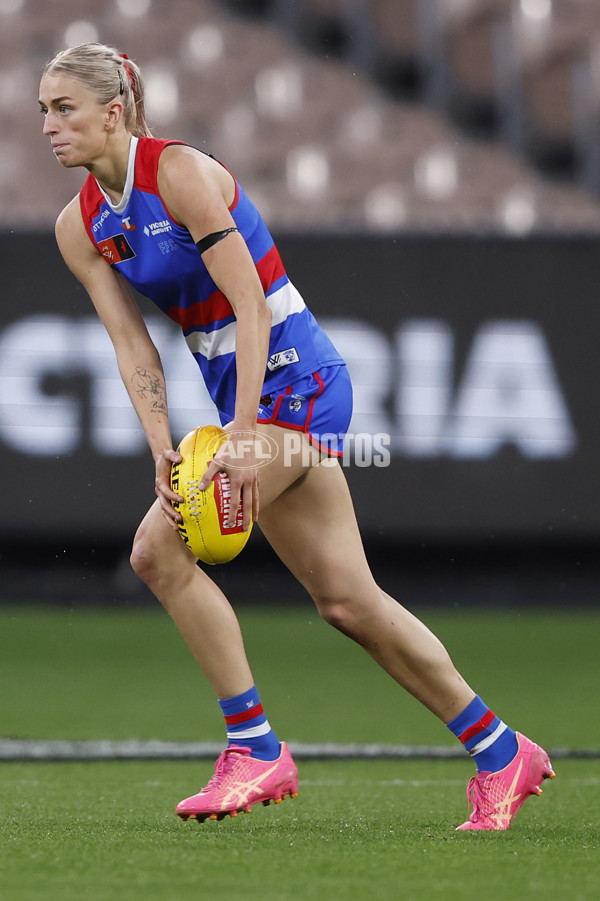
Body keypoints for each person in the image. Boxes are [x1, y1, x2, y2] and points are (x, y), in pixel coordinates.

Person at [39, 42, 555, 830]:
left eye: (62, 108)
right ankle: (499, 749)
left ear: (113, 112)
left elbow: (249, 304)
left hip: (301, 385)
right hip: (246, 401)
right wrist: (160, 442)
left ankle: (254, 746)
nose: (48, 124)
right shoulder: (78, 228)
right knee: (349, 602)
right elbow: (132, 344)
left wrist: (240, 438)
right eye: (42, 109)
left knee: (156, 550)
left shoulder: (178, 174)